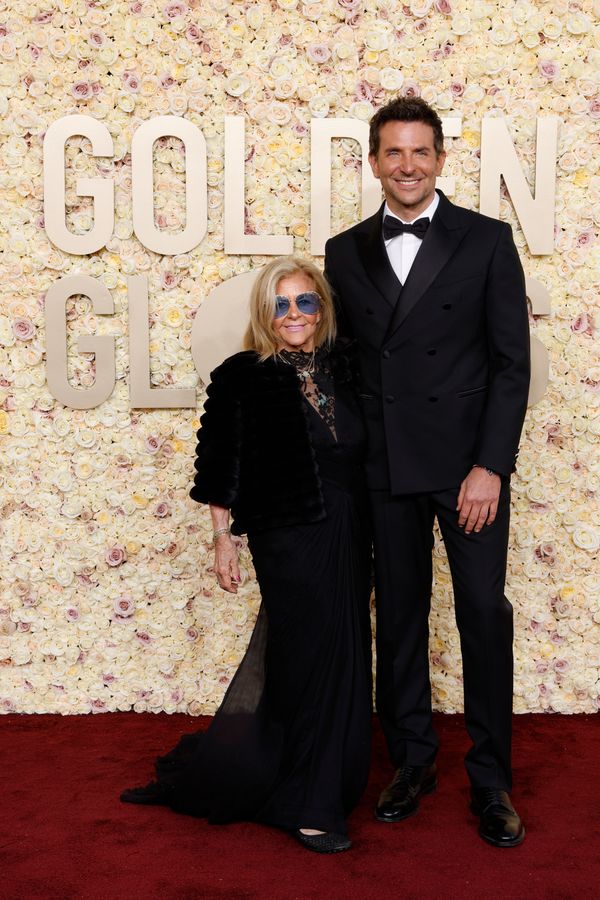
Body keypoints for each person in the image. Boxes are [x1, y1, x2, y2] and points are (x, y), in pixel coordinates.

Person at [324, 97, 530, 848]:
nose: (406, 166)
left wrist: (490, 466)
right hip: (384, 465)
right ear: (375, 162)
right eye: (392, 153)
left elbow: (512, 365)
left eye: (420, 152)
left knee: (482, 614)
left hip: (468, 469)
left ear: (441, 158)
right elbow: (340, 364)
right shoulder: (343, 250)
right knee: (401, 619)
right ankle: (411, 761)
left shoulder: (485, 239)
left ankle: (491, 779)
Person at [121, 257, 373, 854]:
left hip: (350, 528)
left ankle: (322, 779)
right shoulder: (243, 375)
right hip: (287, 534)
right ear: (265, 312)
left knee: (344, 654)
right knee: (306, 655)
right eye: (281, 304)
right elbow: (219, 464)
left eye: (304, 302)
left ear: (321, 307)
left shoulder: (346, 364)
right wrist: (222, 537)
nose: (293, 315)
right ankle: (306, 802)